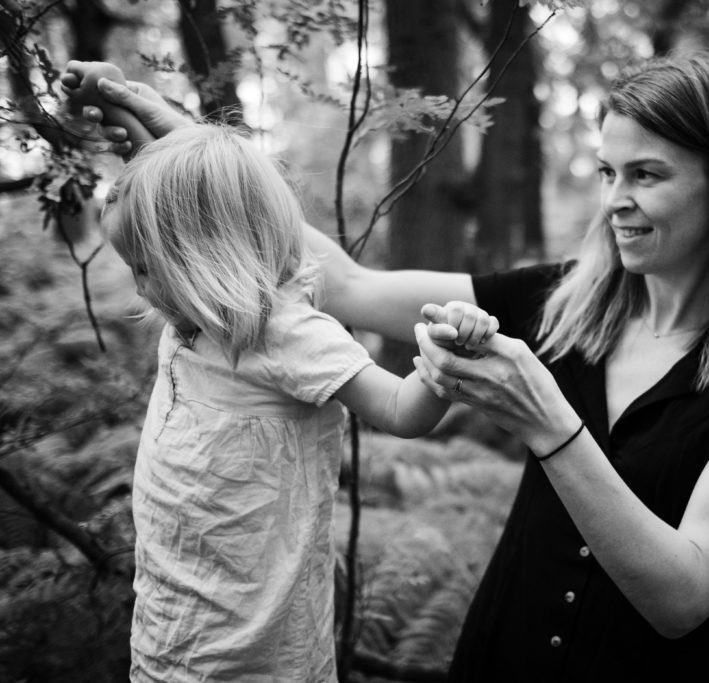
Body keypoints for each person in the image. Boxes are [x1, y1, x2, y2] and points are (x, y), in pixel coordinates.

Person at [65, 50, 709, 682]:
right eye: (607, 172)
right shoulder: (558, 302)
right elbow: (346, 285)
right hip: (501, 657)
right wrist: (188, 155)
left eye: (646, 175)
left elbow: (684, 595)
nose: (614, 201)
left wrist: (551, 424)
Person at [89, 118, 498, 681]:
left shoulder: (285, 334)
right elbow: (186, 194)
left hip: (256, 655)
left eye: (145, 269)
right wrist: (131, 113)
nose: (139, 287)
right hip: (167, 634)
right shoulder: (188, 321)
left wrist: (445, 356)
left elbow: (399, 411)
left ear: (204, 257)